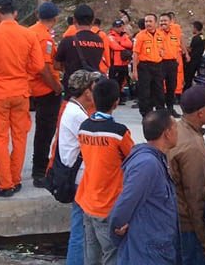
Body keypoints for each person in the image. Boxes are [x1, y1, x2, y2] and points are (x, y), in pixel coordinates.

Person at [0, 0, 45, 197]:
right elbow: (38, 66)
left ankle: (5, 183)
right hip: (21, 92)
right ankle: (15, 179)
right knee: (19, 137)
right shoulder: (28, 34)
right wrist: (24, 76)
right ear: (15, 13)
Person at [109, 110, 180, 264]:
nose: (178, 132)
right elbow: (123, 208)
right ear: (167, 133)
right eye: (175, 128)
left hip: (157, 247)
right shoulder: (147, 164)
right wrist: (116, 233)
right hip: (148, 253)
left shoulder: (157, 159)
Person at [75, 79, 134, 265]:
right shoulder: (119, 133)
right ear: (116, 102)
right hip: (108, 205)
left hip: (87, 200)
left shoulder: (83, 127)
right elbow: (133, 160)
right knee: (112, 255)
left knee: (91, 256)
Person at [168, 86, 205, 264]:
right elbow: (195, 197)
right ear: (200, 113)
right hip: (188, 228)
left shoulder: (178, 129)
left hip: (175, 220)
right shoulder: (193, 147)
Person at [58, 70, 101, 265]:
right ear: (87, 92)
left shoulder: (74, 109)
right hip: (80, 180)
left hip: (78, 177)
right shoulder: (78, 116)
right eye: (94, 86)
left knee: (81, 228)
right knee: (81, 231)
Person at [28, 2, 62, 188]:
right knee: (45, 132)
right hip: (45, 89)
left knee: (43, 130)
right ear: (55, 19)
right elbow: (44, 68)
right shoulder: (44, 38)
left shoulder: (32, 31)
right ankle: (39, 171)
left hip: (33, 87)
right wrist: (56, 87)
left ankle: (40, 167)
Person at [55, 4, 104, 96]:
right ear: (93, 21)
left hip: (72, 91)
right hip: (91, 90)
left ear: (74, 20)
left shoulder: (68, 41)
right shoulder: (99, 40)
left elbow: (56, 65)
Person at [132, 14, 165, 117]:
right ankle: (146, 114)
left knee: (159, 90)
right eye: (146, 21)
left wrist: (162, 52)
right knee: (145, 92)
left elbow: (163, 48)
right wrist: (134, 71)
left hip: (158, 66)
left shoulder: (161, 35)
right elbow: (135, 54)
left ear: (155, 23)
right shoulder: (140, 36)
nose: (148, 24)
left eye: (150, 21)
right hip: (144, 66)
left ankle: (160, 113)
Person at [159, 13, 181, 118]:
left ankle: (170, 108)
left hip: (172, 63)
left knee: (171, 87)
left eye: (165, 21)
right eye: (161, 21)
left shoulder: (174, 33)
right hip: (161, 63)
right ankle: (160, 109)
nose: (163, 23)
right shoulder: (157, 33)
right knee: (159, 87)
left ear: (170, 22)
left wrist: (177, 61)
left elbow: (177, 48)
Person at [108, 19, 132, 105]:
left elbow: (130, 44)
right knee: (114, 83)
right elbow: (114, 46)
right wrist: (124, 47)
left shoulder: (125, 36)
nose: (120, 28)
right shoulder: (110, 36)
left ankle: (120, 98)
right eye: (118, 27)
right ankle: (113, 99)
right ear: (114, 28)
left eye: (121, 26)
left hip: (124, 63)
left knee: (122, 82)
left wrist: (120, 43)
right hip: (115, 64)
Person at [184, 21, 205, 90]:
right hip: (198, 60)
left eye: (192, 28)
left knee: (188, 78)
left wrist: (183, 48)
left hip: (192, 61)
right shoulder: (203, 37)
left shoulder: (196, 38)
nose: (191, 30)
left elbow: (190, 49)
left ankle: (186, 91)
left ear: (195, 29)